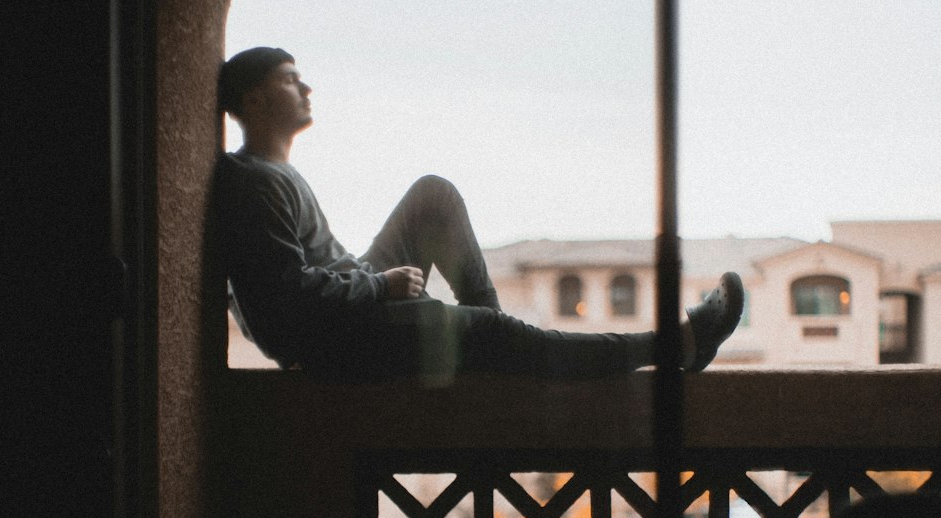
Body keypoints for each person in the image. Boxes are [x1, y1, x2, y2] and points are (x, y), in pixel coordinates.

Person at [214, 46, 744, 383]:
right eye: (290, 79)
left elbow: (270, 288)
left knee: (433, 196)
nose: (306, 89)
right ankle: (680, 345)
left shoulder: (269, 173)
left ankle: (492, 341)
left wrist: (372, 283)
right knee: (504, 335)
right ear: (256, 101)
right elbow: (280, 299)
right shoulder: (255, 182)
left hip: (357, 305)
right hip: (350, 335)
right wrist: (379, 288)